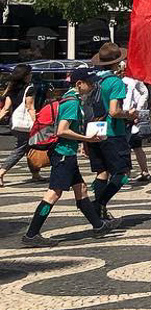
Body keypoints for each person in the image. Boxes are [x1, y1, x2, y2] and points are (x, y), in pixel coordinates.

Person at [21, 68, 116, 246]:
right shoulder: (72, 103)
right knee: (53, 194)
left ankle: (98, 226)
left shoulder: (70, 99)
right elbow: (62, 130)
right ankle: (32, 234)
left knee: (81, 189)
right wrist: (86, 139)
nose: (93, 86)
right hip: (63, 154)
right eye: (90, 83)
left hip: (66, 154)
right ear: (79, 84)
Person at [84, 43, 137, 221]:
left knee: (102, 172)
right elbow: (114, 111)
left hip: (94, 132)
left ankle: (100, 212)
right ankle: (99, 204)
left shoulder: (93, 81)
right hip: (113, 132)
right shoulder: (115, 82)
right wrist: (129, 114)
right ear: (117, 62)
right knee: (123, 174)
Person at [0, 65, 45, 185]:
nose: (31, 75)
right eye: (30, 73)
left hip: (15, 123)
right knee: (21, 149)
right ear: (25, 76)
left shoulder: (11, 89)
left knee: (31, 147)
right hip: (25, 124)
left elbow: (6, 108)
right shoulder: (29, 89)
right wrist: (36, 124)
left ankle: (35, 173)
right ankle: (1, 172)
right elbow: (30, 107)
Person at [123, 75, 151, 183]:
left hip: (131, 115)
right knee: (132, 146)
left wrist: (138, 110)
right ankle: (141, 171)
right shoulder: (116, 78)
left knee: (132, 146)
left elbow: (145, 93)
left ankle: (138, 172)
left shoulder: (133, 79)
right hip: (123, 114)